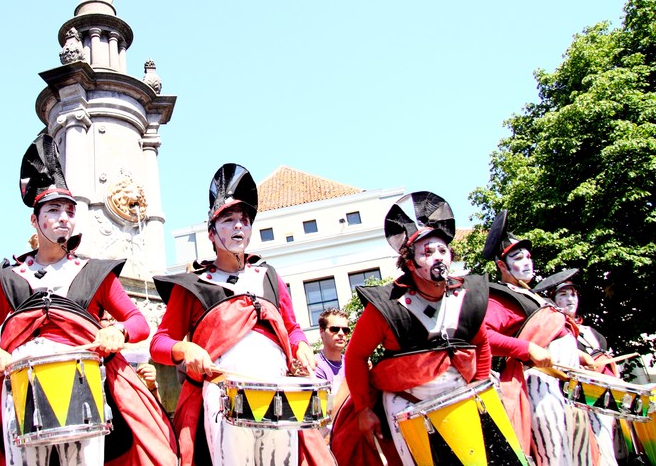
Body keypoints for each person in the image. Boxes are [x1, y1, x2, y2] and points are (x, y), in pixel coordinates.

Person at [0, 132, 176, 466]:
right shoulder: (9, 277)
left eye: (69, 211)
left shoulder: (96, 273)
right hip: (21, 390)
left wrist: (117, 332)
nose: (64, 217)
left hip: (85, 388)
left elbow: (137, 322)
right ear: (35, 220)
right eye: (53, 210)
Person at [150, 164, 332, 466]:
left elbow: (293, 327)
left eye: (245, 221)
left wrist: (301, 345)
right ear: (211, 232)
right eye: (229, 220)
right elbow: (159, 343)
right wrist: (186, 348)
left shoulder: (269, 276)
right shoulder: (193, 285)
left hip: (279, 392)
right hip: (223, 396)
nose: (238, 227)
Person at [331, 192, 496, 466]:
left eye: (442, 251)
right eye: (427, 252)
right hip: (407, 402)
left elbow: (482, 343)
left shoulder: (467, 299)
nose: (437, 258)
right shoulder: (386, 307)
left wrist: (480, 386)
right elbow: (357, 355)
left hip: (463, 395)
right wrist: (363, 409)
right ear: (410, 263)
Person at [483, 210, 595, 465]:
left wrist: (579, 355)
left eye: (529, 257)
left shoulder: (536, 298)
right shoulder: (500, 297)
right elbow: (484, 338)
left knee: (582, 457)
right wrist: (527, 348)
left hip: (569, 385)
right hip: (541, 385)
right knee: (557, 456)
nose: (527, 262)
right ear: (502, 265)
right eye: (518, 257)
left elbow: (551, 337)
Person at [537, 273, 618, 466]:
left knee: (605, 449)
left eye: (573, 294)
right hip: (568, 399)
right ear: (554, 301)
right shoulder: (553, 332)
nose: (570, 299)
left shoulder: (594, 334)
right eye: (563, 295)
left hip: (600, 400)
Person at [314, 309, 348, 438]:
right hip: (328, 440)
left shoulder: (353, 362)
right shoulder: (315, 365)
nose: (341, 334)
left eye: (345, 330)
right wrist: (353, 378)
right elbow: (326, 413)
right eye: (334, 329)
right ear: (321, 332)